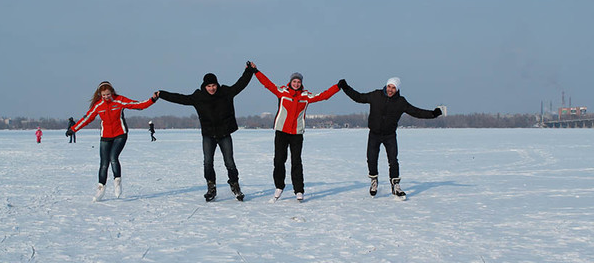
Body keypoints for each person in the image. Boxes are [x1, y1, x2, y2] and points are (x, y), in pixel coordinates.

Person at [156, 63, 256, 202]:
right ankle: (211, 187)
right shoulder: (198, 97)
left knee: (230, 162)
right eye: (209, 86)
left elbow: (240, 84)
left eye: (213, 85)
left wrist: (249, 71)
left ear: (217, 84)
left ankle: (235, 185)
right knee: (208, 162)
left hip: (224, 134)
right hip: (209, 135)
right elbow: (180, 98)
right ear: (205, 86)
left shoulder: (225, 93)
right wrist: (162, 94)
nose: (212, 88)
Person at [338, 77, 442, 200]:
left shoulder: (401, 102)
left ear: (397, 89)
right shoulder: (376, 95)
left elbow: (416, 112)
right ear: (386, 86)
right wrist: (345, 87)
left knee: (393, 160)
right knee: (371, 159)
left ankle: (395, 186)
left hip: (389, 136)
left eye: (393, 88)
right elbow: (359, 97)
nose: (390, 90)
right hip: (374, 134)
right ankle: (374, 181)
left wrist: (432, 114)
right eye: (389, 87)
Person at [251, 62, 341, 202]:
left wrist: (337, 87)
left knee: (296, 162)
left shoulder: (306, 96)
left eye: (298, 82)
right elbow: (267, 84)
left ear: (301, 83)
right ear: (290, 82)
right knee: (279, 160)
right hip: (281, 131)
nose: (296, 83)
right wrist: (256, 71)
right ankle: (279, 186)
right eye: (294, 81)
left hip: (297, 134)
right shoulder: (282, 92)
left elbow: (324, 96)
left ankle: (298, 190)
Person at [65, 81, 158, 202]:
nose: (106, 97)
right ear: (100, 95)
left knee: (113, 157)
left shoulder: (119, 100)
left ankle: (117, 181)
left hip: (120, 134)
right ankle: (100, 188)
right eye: (103, 95)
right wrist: (73, 129)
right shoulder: (98, 106)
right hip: (106, 136)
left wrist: (153, 99)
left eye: (108, 94)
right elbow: (87, 118)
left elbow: (138, 105)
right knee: (104, 163)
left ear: (112, 92)